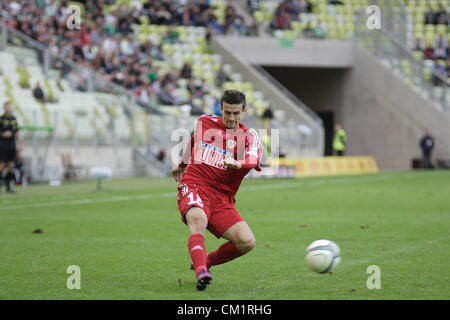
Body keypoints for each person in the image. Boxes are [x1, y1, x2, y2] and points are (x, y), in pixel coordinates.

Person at [171, 90, 263, 291]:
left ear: (244, 112)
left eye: (236, 113)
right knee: (198, 220)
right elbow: (195, 139)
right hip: (195, 184)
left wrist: (239, 164)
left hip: (222, 197)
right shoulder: (205, 121)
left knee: (247, 242)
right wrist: (183, 163)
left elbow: (254, 159)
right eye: (227, 112)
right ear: (220, 109)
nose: (231, 117)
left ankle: (206, 261)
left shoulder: (249, 136)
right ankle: (201, 272)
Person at [0, 101, 20, 194]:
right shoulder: (1, 119)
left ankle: (8, 187)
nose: (9, 108)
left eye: (10, 106)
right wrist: (3, 134)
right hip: (3, 144)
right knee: (1, 165)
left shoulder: (14, 119)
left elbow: (17, 131)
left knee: (11, 165)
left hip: (12, 144)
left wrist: (21, 143)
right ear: (4, 108)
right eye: (7, 106)